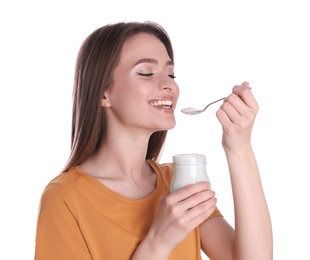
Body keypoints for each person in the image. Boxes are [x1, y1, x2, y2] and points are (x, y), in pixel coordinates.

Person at [35, 22, 273, 260]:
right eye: (147, 73)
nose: (169, 84)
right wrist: (160, 240)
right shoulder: (64, 198)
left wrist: (239, 147)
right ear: (102, 93)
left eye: (171, 74)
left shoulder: (176, 182)